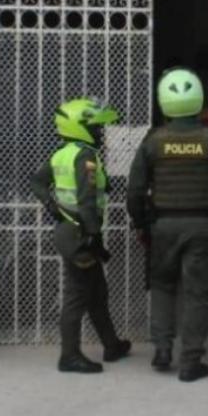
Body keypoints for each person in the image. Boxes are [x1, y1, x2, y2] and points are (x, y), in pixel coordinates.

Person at [128, 68, 208, 382]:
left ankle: (162, 350)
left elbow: (135, 189)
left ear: (163, 101)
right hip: (202, 226)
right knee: (196, 293)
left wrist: (140, 224)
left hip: (163, 226)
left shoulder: (154, 141)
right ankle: (191, 361)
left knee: (163, 286)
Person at [28, 98, 133, 374]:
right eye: (95, 128)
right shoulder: (85, 156)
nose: (100, 133)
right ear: (80, 128)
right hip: (80, 235)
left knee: (97, 292)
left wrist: (54, 208)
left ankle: (112, 345)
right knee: (77, 295)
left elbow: (37, 182)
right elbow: (87, 201)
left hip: (70, 230)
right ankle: (69, 356)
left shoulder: (61, 153)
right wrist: (94, 236)